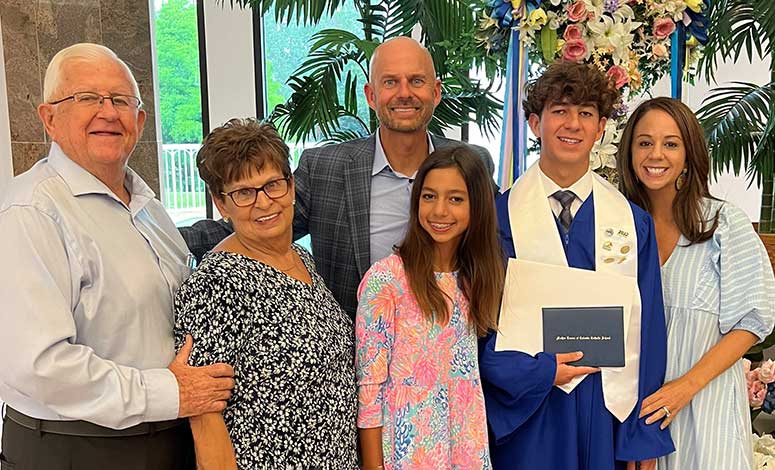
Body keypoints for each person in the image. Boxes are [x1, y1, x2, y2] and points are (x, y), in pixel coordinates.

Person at [0, 43, 234, 469]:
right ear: (50, 118)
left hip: (169, 435)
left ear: (139, 120)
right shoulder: (29, 212)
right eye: (87, 98)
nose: (108, 112)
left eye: (121, 100)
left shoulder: (149, 208)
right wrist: (169, 392)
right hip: (78, 448)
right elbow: (40, 366)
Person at [180, 36, 496, 317]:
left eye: (416, 81)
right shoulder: (325, 168)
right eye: (390, 82)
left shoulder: (468, 166)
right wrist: (155, 239)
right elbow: (262, 219)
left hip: (450, 348)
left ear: (436, 92)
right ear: (371, 95)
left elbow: (500, 238)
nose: (404, 93)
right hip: (357, 359)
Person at [479, 61, 674, 470]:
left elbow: (648, 324)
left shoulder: (631, 222)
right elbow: (479, 326)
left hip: (604, 408)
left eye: (586, 113)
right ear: (535, 123)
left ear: (601, 126)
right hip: (530, 407)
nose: (573, 124)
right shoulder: (498, 218)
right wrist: (531, 373)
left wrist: (642, 434)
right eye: (559, 111)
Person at [173, 118, 357, 469]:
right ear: (221, 203)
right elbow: (204, 413)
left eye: (273, 184)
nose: (264, 202)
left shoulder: (301, 260)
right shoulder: (217, 285)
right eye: (243, 192)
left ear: (290, 186)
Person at [616, 97, 775, 469]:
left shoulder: (723, 223)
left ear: (689, 154)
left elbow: (752, 321)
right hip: (634, 413)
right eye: (644, 142)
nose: (656, 154)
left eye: (671, 143)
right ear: (629, 151)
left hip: (707, 407)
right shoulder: (615, 226)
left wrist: (684, 387)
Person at [356, 146, 502, 468]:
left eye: (455, 199)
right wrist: (372, 464)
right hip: (408, 446)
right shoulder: (387, 279)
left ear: (476, 205)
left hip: (466, 440)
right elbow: (369, 384)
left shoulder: (476, 277)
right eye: (429, 196)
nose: (439, 211)